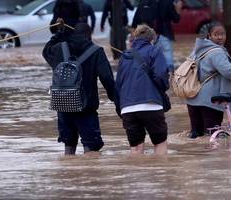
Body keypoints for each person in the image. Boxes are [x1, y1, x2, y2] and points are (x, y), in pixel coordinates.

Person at [42, 21, 116, 155]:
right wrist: (116, 100)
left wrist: (60, 33)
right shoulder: (96, 52)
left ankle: (70, 174)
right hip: (86, 108)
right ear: (89, 35)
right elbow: (107, 79)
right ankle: (88, 174)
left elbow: (46, 51)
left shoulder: (59, 48)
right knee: (91, 148)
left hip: (63, 106)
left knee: (69, 146)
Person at [185, 22, 231, 139]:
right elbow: (229, 71)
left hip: (192, 99)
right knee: (213, 136)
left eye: (222, 34)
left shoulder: (197, 50)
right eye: (216, 34)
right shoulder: (217, 52)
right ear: (209, 36)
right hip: (210, 101)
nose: (220, 37)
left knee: (196, 137)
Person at [115, 25, 170, 155]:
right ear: (152, 39)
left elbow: (117, 86)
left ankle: (137, 173)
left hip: (127, 108)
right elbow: (161, 76)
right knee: (160, 143)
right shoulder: (154, 51)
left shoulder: (124, 56)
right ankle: (162, 174)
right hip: (151, 106)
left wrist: (120, 109)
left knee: (136, 148)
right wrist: (164, 88)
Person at [132, 0, 182, 71]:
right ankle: (169, 79)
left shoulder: (144, 3)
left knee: (151, 62)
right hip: (164, 35)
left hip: (150, 37)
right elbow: (176, 19)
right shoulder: (167, 2)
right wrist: (178, 8)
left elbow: (135, 22)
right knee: (168, 61)